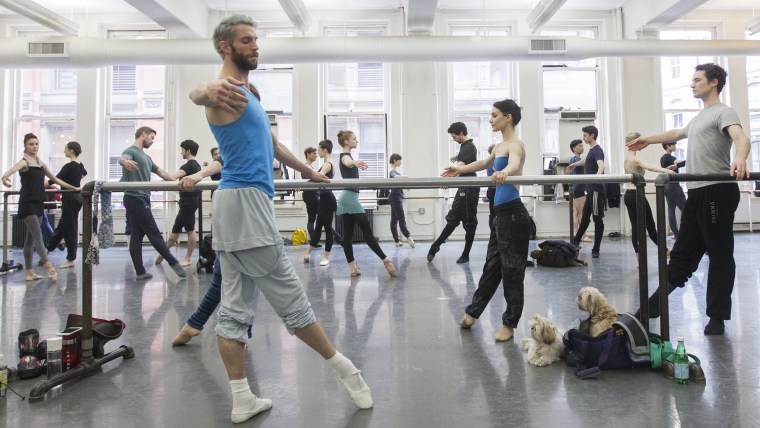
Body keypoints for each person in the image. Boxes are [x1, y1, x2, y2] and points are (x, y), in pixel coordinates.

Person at [187, 14, 372, 423]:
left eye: (257, 40)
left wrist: (310, 173)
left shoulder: (249, 92)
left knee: (234, 309)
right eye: (246, 40)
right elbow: (198, 94)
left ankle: (241, 399)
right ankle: (346, 370)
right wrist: (203, 88)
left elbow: (272, 144)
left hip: (235, 206)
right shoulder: (221, 91)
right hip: (246, 203)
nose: (255, 46)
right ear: (225, 47)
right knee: (292, 300)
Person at [628, 63, 750, 335]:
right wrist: (646, 139)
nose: (692, 84)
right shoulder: (699, 117)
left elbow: (741, 138)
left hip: (717, 189)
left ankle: (717, 317)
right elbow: (675, 134)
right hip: (696, 192)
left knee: (719, 254)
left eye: (697, 80)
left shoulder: (724, 112)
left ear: (714, 82)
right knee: (683, 255)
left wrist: (740, 158)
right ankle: (652, 308)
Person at [442, 99, 532, 342]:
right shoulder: (499, 145)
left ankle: (509, 324)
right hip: (500, 215)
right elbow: (483, 164)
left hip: (514, 214)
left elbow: (514, 163)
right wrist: (458, 170)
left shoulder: (515, 144)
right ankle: (473, 312)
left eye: (494, 115)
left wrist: (506, 172)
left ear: (508, 117)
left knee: (512, 271)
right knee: (491, 267)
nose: (491, 119)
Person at [1, 133, 79, 282]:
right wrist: (5, 177)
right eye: (31, 144)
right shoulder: (24, 162)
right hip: (27, 204)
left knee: (29, 241)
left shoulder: (41, 163)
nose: (34, 147)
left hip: (38, 204)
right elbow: (10, 171)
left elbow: (55, 179)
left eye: (36, 144)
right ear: (25, 146)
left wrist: (74, 188)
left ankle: (29, 272)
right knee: (37, 236)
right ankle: (49, 266)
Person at [118, 126, 188, 280]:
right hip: (134, 197)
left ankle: (140, 272)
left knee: (137, 235)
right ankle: (172, 262)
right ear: (143, 134)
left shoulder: (147, 158)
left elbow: (163, 173)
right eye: (152, 137)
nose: (152, 141)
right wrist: (125, 162)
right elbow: (122, 158)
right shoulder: (132, 151)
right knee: (153, 231)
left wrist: (182, 181)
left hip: (143, 197)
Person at [335, 130, 397, 277]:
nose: (357, 141)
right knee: (368, 234)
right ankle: (386, 260)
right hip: (349, 198)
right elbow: (347, 162)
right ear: (346, 142)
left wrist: (354, 163)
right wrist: (354, 162)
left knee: (348, 237)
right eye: (354, 139)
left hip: (348, 198)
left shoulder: (348, 156)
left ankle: (353, 268)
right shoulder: (345, 156)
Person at [427, 122, 480, 264]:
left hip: (469, 188)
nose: (453, 138)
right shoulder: (466, 147)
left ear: (461, 133)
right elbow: (465, 160)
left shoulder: (469, 147)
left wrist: (449, 180)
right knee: (453, 218)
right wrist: (457, 157)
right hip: (464, 187)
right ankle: (436, 245)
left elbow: (460, 169)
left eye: (454, 136)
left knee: (469, 222)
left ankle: (465, 254)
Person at [622, 132, 673, 262]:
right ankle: (665, 252)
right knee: (650, 225)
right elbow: (650, 167)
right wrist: (668, 171)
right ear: (635, 143)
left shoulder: (626, 159)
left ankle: (640, 259)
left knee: (636, 227)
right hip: (637, 195)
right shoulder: (636, 159)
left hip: (628, 195)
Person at [155, 139, 202, 267]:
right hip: (187, 202)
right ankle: (162, 255)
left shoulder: (189, 166)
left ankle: (187, 258)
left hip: (188, 202)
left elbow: (172, 177)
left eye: (182, 149)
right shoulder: (196, 166)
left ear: (188, 150)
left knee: (190, 230)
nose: (181, 152)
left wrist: (156, 171)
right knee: (175, 231)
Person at [45, 141, 87, 268]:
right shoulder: (80, 165)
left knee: (70, 228)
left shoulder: (69, 166)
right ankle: (47, 251)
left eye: (65, 149)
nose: (64, 151)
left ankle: (70, 259)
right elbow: (85, 173)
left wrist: (46, 184)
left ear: (71, 151)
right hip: (77, 198)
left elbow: (56, 178)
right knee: (62, 227)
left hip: (70, 198)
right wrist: (75, 182)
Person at [568, 125, 606, 258]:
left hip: (595, 190)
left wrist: (597, 177)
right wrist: (575, 164)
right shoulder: (592, 151)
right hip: (590, 190)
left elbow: (601, 165)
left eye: (585, 135)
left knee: (597, 219)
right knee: (585, 219)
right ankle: (576, 242)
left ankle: (596, 249)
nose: (583, 138)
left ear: (592, 136)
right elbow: (586, 161)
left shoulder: (597, 151)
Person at [303, 139, 339, 266]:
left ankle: (325, 256)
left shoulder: (327, 164)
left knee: (327, 228)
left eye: (319, 150)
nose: (318, 152)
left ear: (324, 150)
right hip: (324, 198)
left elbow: (317, 178)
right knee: (319, 227)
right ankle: (308, 252)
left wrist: (303, 182)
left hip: (327, 199)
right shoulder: (327, 163)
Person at [565, 139, 591, 243]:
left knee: (575, 213)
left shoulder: (573, 159)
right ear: (574, 148)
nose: (582, 147)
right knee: (581, 213)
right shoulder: (576, 159)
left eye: (582, 146)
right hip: (579, 188)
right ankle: (584, 235)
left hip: (575, 188)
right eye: (580, 146)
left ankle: (577, 235)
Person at [660, 142, 687, 238]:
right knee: (686, 209)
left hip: (667, 185)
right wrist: (691, 160)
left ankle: (677, 234)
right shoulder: (668, 157)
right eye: (673, 145)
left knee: (671, 209)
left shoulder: (663, 158)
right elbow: (680, 162)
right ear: (667, 146)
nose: (675, 146)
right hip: (673, 185)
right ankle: (687, 232)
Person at [388, 153, 414, 248]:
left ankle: (397, 241)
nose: (400, 162)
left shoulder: (394, 171)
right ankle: (408, 237)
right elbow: (394, 176)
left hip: (396, 196)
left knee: (394, 219)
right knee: (401, 218)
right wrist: (404, 177)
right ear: (395, 160)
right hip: (395, 197)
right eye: (399, 160)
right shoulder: (392, 171)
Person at [301, 146, 320, 244]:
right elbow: (314, 178)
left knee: (312, 218)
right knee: (322, 217)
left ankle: (313, 242)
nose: (316, 155)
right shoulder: (306, 167)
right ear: (308, 154)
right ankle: (340, 240)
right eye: (314, 153)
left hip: (313, 194)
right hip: (311, 195)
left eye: (316, 153)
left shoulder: (311, 167)